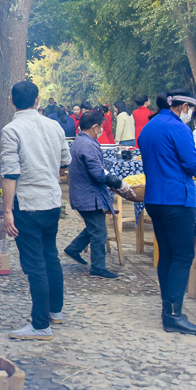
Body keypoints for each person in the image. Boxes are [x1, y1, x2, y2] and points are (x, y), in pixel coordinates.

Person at [1, 80, 72, 341]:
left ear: (12, 101)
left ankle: (40, 324)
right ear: (37, 100)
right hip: (52, 202)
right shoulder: (54, 126)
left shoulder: (12, 129)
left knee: (35, 263)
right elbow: (66, 161)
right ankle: (55, 310)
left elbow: (10, 173)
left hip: (27, 204)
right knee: (50, 255)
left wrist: (7, 211)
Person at [138, 89, 196, 335]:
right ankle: (174, 314)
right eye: (190, 110)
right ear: (183, 107)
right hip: (177, 198)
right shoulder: (178, 128)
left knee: (166, 254)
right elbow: (192, 164)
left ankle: (169, 309)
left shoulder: (150, 126)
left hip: (155, 197)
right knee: (182, 255)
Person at [64, 111, 124, 279]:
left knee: (95, 226)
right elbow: (98, 173)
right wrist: (117, 183)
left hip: (84, 193)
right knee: (99, 232)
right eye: (102, 127)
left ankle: (74, 248)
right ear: (95, 127)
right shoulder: (87, 145)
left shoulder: (81, 141)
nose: (102, 131)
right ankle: (98, 267)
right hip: (88, 195)